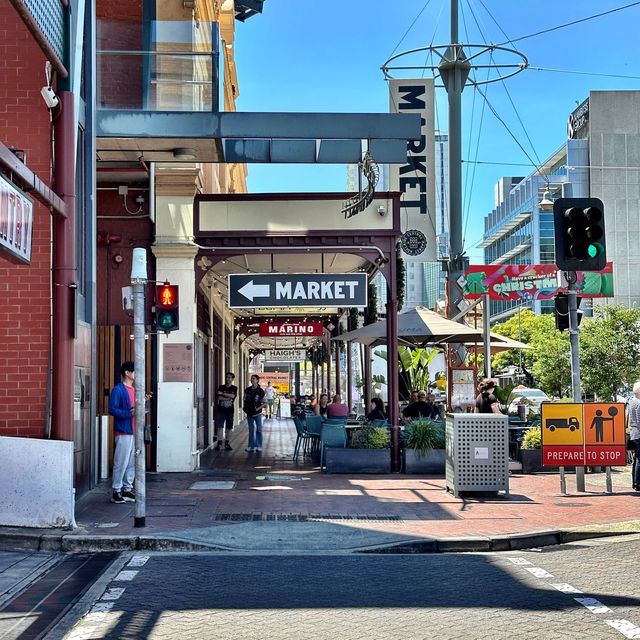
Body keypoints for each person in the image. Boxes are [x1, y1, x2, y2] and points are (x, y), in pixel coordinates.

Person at [108, 361, 143, 504]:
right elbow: (112, 409)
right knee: (121, 462)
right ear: (127, 373)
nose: (136, 374)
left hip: (134, 431)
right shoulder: (118, 390)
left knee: (131, 462)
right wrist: (130, 413)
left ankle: (127, 489)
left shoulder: (135, 390)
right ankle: (117, 490)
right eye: (134, 371)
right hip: (123, 431)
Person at [243, 374, 266, 452]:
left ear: (257, 380)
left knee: (259, 429)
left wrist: (258, 408)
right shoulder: (247, 390)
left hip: (257, 413)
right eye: (251, 379)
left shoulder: (261, 391)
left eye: (253, 379)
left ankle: (259, 445)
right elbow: (245, 399)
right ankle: (251, 446)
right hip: (249, 412)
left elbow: (264, 403)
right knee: (251, 430)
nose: (252, 380)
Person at [215, 372, 237, 451]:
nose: (227, 379)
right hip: (221, 410)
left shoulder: (234, 388)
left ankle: (227, 443)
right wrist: (228, 398)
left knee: (229, 427)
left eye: (229, 378)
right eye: (226, 377)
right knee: (220, 427)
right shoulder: (221, 387)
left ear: (232, 379)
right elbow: (219, 397)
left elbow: (233, 396)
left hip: (230, 411)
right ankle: (219, 443)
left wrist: (223, 393)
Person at [629, 381, 640, 491]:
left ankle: (635, 483)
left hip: (634, 434)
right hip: (639, 433)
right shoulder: (639, 403)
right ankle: (638, 483)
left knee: (637, 458)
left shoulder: (632, 402)